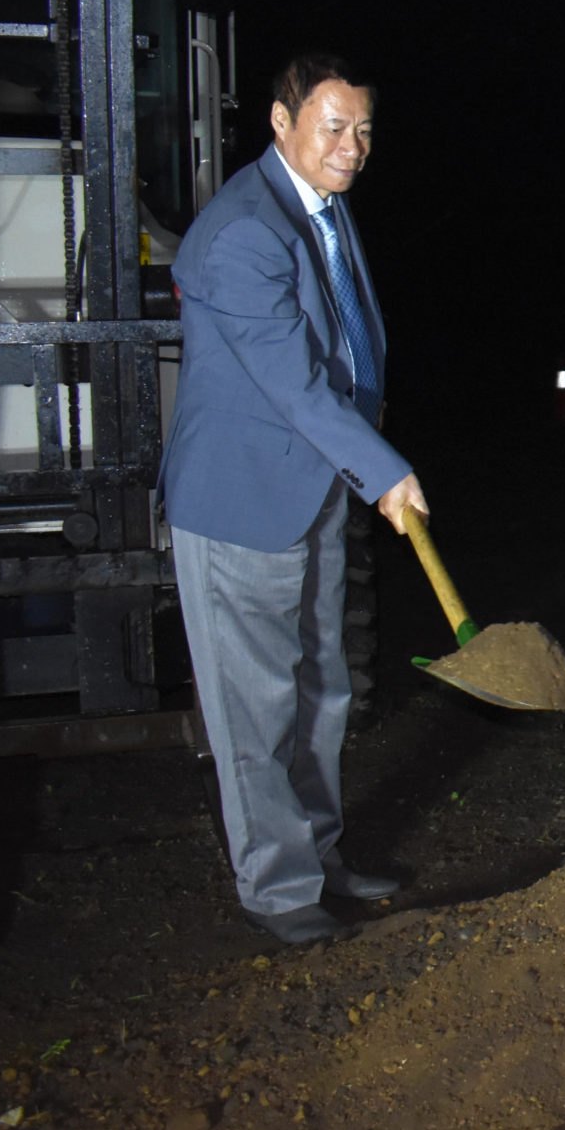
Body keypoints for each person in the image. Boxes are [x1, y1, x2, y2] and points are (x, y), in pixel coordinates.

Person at [164, 54, 424, 946]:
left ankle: (319, 854)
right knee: (258, 708)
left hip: (312, 488)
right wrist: (382, 469)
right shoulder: (244, 231)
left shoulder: (321, 206)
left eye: (363, 130)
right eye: (332, 126)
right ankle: (277, 890)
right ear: (281, 121)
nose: (352, 147)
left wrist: (362, 451)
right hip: (242, 500)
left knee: (322, 687)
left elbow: (350, 342)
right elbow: (294, 383)